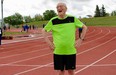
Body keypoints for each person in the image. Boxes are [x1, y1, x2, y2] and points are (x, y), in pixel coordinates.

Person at [42, 2, 87, 75]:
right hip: (58, 51)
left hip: (70, 50)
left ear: (66, 9)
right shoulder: (53, 20)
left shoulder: (72, 19)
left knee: (71, 71)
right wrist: (49, 43)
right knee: (60, 72)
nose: (59, 8)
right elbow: (43, 30)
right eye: (57, 7)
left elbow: (85, 27)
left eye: (61, 6)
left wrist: (80, 40)